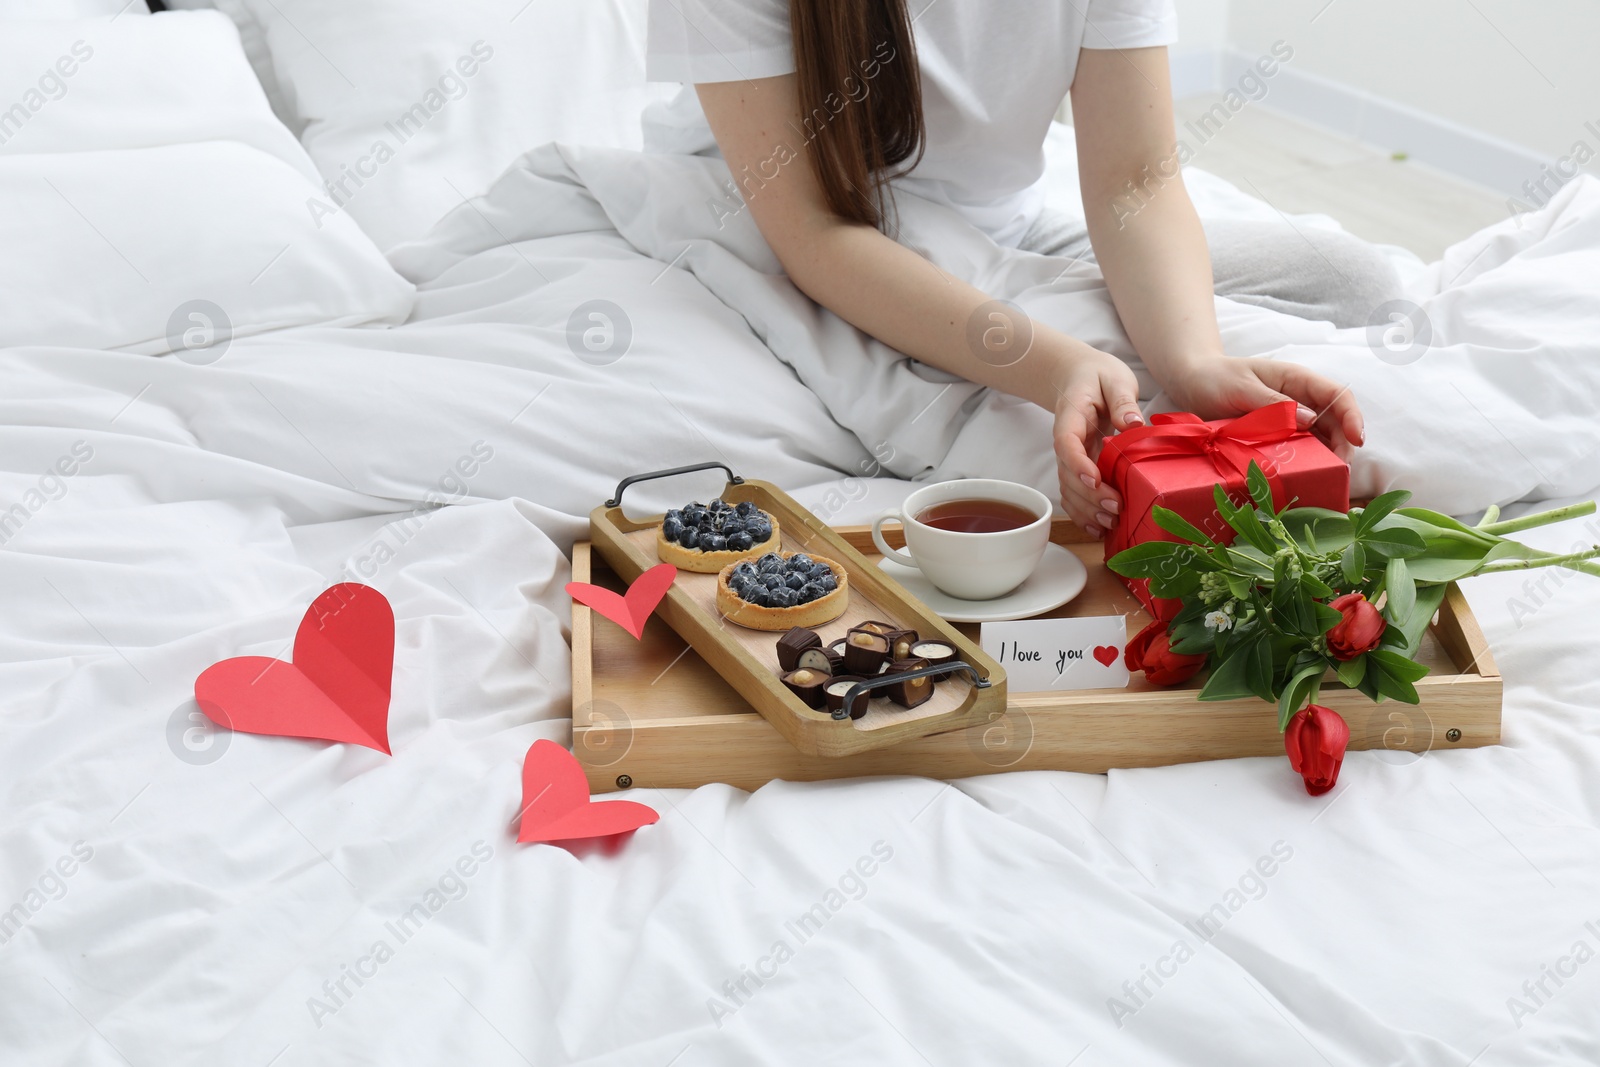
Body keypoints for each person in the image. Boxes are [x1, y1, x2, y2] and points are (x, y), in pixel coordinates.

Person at [645, 0, 1395, 536]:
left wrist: (1194, 360)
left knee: (1357, 283)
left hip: (1005, 230)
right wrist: (1054, 366)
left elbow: (1135, 181)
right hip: (781, 227)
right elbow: (814, 231)